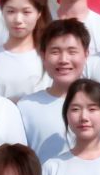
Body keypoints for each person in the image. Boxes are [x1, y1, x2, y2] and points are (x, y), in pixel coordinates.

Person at [19, 19, 92, 161]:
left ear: (86, 54)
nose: (63, 60)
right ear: (43, 55)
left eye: (72, 51)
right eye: (55, 52)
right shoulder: (26, 106)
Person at [0, 0, 52, 100]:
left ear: (39, 13)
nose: (18, 20)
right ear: (2, 11)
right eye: (11, 11)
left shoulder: (49, 59)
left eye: (26, 12)